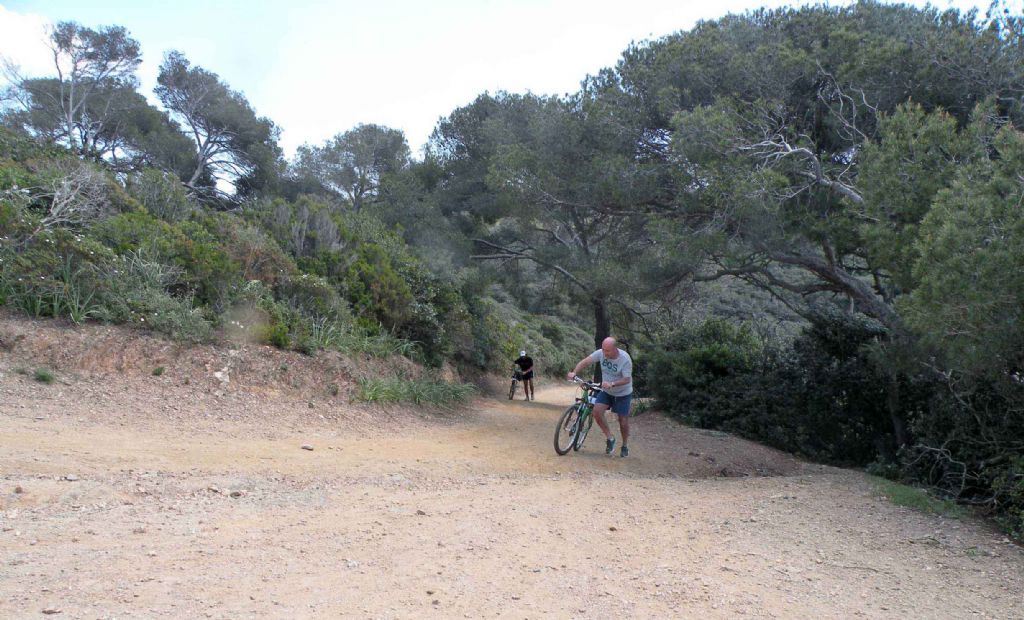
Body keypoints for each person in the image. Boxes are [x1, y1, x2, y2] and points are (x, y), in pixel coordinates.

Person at [566, 337, 633, 457]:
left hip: (623, 393)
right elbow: (585, 361)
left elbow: (627, 379)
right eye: (603, 349)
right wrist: (574, 372)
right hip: (607, 391)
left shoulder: (625, 359)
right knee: (596, 412)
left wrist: (612, 383)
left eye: (607, 351)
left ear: (615, 349)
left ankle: (625, 445)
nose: (604, 353)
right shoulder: (601, 353)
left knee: (623, 421)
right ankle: (610, 438)